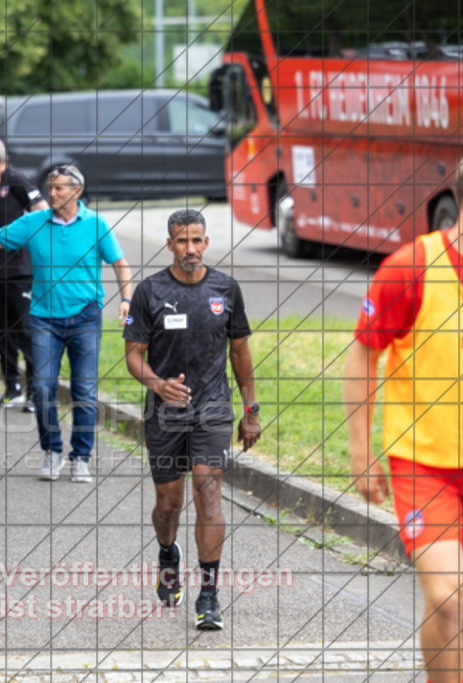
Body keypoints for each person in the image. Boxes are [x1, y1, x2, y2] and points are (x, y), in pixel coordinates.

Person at [344, 144, 463, 683]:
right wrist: (360, 449)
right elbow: (364, 351)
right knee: (447, 598)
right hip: (424, 464)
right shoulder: (412, 267)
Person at [123, 209, 260, 630]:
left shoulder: (225, 289)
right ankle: (167, 552)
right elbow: (132, 357)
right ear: (169, 245)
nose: (191, 249)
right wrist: (158, 385)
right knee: (168, 505)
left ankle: (209, 595)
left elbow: (239, 352)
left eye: (198, 241)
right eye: (183, 242)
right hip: (164, 413)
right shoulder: (149, 291)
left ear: (206, 242)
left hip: (213, 409)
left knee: (208, 491)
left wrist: (251, 410)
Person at [0, 164, 133, 484]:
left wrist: (127, 300)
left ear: (76, 191)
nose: (51, 193)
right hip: (43, 319)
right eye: (50, 187)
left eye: (58, 188)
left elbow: (120, 264)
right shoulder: (34, 222)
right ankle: (52, 451)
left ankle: (81, 457)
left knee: (84, 391)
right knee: (41, 387)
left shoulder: (96, 224)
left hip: (85, 317)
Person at [0, 136, 48, 410]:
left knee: (26, 332)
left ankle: (36, 392)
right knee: (2, 331)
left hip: (22, 271)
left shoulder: (16, 180)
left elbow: (43, 213)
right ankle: (12, 387)